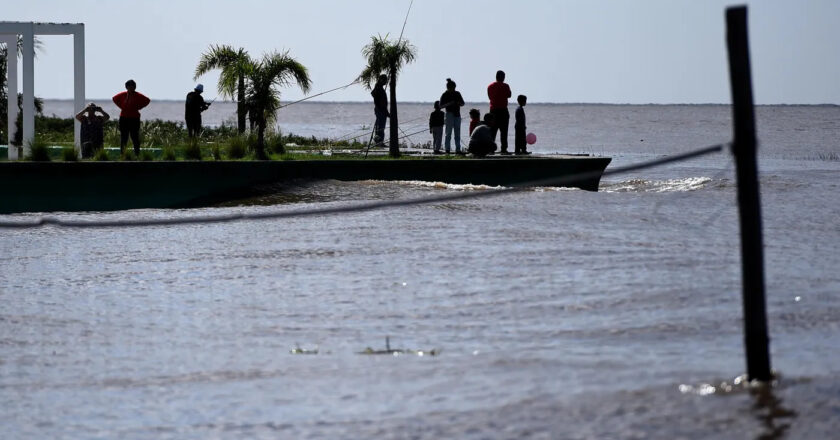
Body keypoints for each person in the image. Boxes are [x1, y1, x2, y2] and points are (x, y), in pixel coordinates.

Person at [112, 79, 151, 155]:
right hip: (124, 118)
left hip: (134, 118)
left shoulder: (138, 95)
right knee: (124, 138)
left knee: (135, 137)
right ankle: (123, 155)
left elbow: (147, 100)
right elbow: (114, 98)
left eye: (133, 86)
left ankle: (137, 155)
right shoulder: (123, 94)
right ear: (126, 87)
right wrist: (121, 106)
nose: (131, 88)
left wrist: (140, 107)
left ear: (135, 87)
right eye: (129, 86)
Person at [487, 70, 512, 155]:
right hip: (503, 110)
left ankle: (490, 149)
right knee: (504, 131)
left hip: (493, 111)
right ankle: (504, 149)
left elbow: (489, 97)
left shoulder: (490, 86)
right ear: (503, 77)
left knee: (492, 131)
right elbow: (509, 95)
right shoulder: (505, 86)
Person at [439, 78, 465, 154]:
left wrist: (457, 103)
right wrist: (450, 103)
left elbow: (463, 103)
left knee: (457, 133)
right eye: (451, 88)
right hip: (449, 114)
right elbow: (440, 106)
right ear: (448, 88)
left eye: (454, 88)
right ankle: (447, 149)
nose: (453, 90)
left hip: (457, 115)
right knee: (448, 133)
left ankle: (458, 149)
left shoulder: (457, 93)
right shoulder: (445, 94)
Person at [371, 74, 389, 146]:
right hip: (380, 110)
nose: (386, 82)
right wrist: (386, 112)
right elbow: (380, 102)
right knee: (380, 127)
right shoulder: (378, 88)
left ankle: (379, 142)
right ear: (381, 80)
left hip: (380, 110)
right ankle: (379, 142)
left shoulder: (379, 87)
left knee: (379, 127)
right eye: (385, 80)